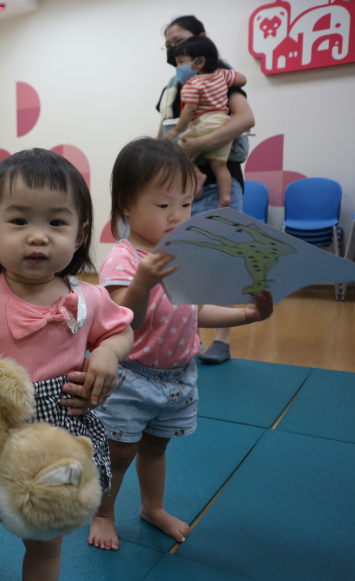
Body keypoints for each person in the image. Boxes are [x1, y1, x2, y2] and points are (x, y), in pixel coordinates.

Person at [0, 149, 135, 581]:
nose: (38, 238)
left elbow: (122, 331)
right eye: (19, 222)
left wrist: (108, 354)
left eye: (56, 224)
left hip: (56, 437)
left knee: (45, 542)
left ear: (81, 233)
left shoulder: (91, 298)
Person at [87, 138, 273, 551]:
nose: (177, 217)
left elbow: (196, 309)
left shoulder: (182, 255)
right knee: (120, 453)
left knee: (155, 448)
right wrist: (143, 282)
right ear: (127, 204)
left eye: (186, 205)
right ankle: (103, 512)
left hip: (177, 376)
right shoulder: (125, 259)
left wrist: (246, 315)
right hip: (130, 378)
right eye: (163, 205)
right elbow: (120, 319)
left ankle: (152, 507)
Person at [158, 15, 258, 365]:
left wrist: (197, 145)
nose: (173, 48)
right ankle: (189, 336)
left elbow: (244, 119)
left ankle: (223, 340)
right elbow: (167, 128)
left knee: (223, 261)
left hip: (220, 183)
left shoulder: (220, 75)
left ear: (200, 39)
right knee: (182, 263)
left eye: (179, 40)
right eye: (169, 44)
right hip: (181, 189)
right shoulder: (174, 84)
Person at [164, 36, 247, 210]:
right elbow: (242, 80)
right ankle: (225, 197)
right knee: (220, 166)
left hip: (204, 122)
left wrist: (177, 129)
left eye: (181, 62)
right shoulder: (222, 74)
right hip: (222, 121)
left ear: (200, 61)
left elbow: (190, 110)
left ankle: (197, 174)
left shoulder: (192, 83)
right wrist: (227, 76)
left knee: (179, 150)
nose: (178, 67)